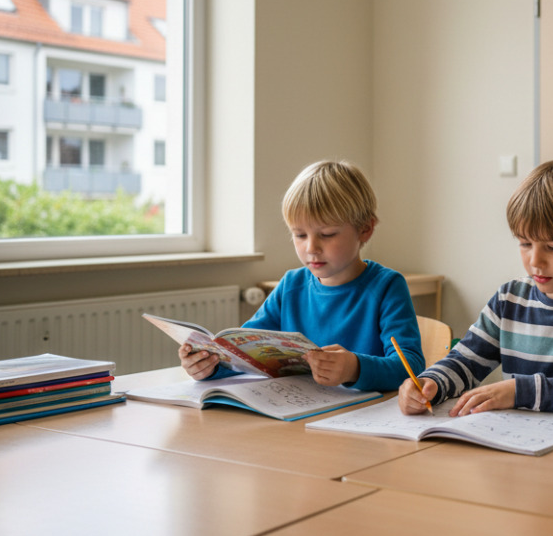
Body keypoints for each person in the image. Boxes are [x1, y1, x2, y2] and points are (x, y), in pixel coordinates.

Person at [398, 160, 553, 416]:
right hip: (518, 439)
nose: (535, 261)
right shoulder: (509, 300)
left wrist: (521, 391)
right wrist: (430, 384)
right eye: (525, 243)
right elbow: (464, 362)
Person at [180, 160, 423, 392]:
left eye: (327, 234)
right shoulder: (291, 285)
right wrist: (209, 366)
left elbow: (411, 367)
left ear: (365, 229)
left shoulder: (387, 286)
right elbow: (244, 353)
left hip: (363, 414)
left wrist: (354, 369)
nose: (311, 248)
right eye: (300, 235)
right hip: (296, 410)